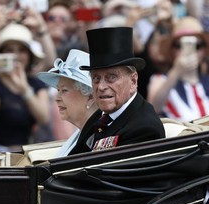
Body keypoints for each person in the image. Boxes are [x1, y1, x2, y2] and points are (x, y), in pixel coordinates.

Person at [68, 27, 165, 155]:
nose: (101, 86)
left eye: (111, 77)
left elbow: (103, 173)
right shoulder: (100, 116)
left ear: (133, 81)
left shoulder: (144, 129)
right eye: (96, 78)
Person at [0, 23, 50, 151]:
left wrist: (25, 90)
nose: (16, 55)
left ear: (29, 55)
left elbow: (43, 118)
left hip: (29, 153)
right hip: (0, 154)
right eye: (9, 50)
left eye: (21, 50)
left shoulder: (36, 84)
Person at [37, 49, 98, 157]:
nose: (57, 98)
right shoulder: (81, 134)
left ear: (90, 97)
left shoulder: (96, 139)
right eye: (58, 90)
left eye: (64, 90)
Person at [147, 16, 209, 122]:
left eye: (197, 45)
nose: (190, 51)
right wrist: (176, 71)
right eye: (180, 45)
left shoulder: (207, 81)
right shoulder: (160, 79)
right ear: (172, 50)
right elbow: (152, 108)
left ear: (203, 50)